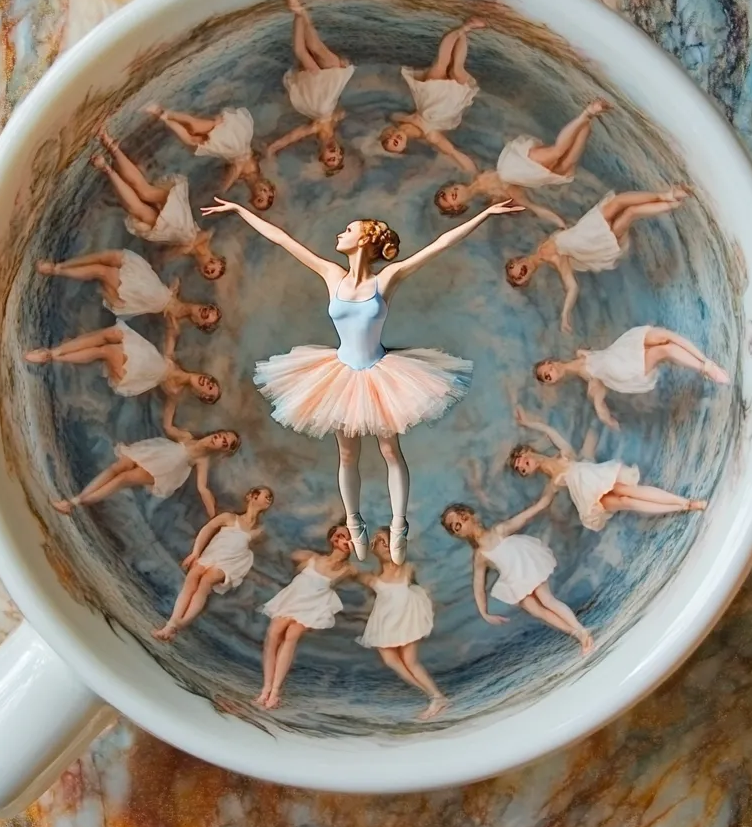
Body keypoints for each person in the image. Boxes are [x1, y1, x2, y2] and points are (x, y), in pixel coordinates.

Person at [201, 195, 522, 564]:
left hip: (379, 374)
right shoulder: (331, 275)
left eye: (348, 230)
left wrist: (484, 213)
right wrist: (240, 210)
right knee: (347, 453)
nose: (341, 233)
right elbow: (283, 240)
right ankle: (355, 523)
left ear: (365, 240)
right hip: (339, 375)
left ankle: (399, 525)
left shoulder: (387, 278)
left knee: (389, 451)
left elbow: (440, 244)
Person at [505, 186, 691, 333]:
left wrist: (557, 221)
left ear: (517, 260)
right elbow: (572, 287)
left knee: (619, 202)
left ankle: (667, 195)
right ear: (528, 277)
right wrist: (565, 314)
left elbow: (552, 221)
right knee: (630, 213)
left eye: (518, 268)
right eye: (522, 275)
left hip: (589, 228)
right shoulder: (554, 260)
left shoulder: (541, 247)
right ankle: (671, 203)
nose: (522, 270)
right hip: (596, 241)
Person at [440, 497, 593, 656]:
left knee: (547, 600)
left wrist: (549, 494)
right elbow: (478, 586)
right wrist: (484, 613)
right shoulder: (480, 555)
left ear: (470, 515)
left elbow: (527, 515)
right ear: (457, 534)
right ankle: (578, 633)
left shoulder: (499, 530)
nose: (463, 524)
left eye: (462, 518)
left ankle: (581, 630)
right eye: (456, 526)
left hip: (527, 566)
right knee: (536, 611)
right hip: (514, 581)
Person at [511, 407, 706, 530]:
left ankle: (687, 503)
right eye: (521, 470)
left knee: (629, 492)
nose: (523, 467)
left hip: (595, 477)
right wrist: (516, 522)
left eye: (521, 461)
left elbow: (549, 431)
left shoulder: (562, 453)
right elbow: (542, 505)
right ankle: (682, 507)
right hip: (586, 497)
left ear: (527, 452)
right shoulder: (551, 483)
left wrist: (528, 423)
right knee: (626, 501)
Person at [23, 317, 220, 423]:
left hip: (134, 373)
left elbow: (168, 421)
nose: (207, 383)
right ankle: (54, 352)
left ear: (200, 395)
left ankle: (52, 357)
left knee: (106, 350)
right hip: (142, 355)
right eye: (211, 382)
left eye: (208, 389)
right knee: (109, 335)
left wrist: (181, 437)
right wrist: (172, 326)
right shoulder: (177, 364)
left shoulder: (176, 391)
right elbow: (170, 341)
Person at [434, 100, 612, 216]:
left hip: (514, 162)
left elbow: (453, 151)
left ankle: (588, 112)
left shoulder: (473, 172)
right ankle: (590, 118)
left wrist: (432, 135)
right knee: (568, 163)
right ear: (458, 207)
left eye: (446, 192)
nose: (449, 194)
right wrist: (558, 221)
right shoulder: (493, 200)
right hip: (525, 174)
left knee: (557, 152)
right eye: (449, 199)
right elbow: (528, 204)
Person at [535, 326, 730, 429]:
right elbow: (599, 401)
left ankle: (706, 362)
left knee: (664, 335)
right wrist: (608, 420)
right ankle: (705, 369)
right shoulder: (589, 380)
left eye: (548, 367)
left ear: (551, 360)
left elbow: (598, 352)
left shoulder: (580, 354)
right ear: (553, 381)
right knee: (665, 349)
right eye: (547, 376)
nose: (551, 371)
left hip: (622, 349)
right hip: (624, 368)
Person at [151, 486, 274, 641]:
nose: (269, 499)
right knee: (192, 578)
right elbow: (206, 529)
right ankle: (172, 625)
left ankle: (176, 625)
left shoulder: (259, 531)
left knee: (205, 582)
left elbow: (245, 548)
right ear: (252, 496)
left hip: (231, 562)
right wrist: (195, 553)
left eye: (271, 498)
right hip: (212, 554)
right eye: (266, 495)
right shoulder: (229, 517)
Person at [256, 524, 357, 710]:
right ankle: (266, 688)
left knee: (291, 635)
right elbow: (288, 553)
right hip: (294, 598)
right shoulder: (313, 557)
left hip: (313, 605)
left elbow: (364, 565)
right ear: (333, 540)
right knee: (273, 634)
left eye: (350, 536)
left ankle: (275, 692)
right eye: (342, 536)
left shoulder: (349, 569)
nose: (346, 539)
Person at [356, 529, 446, 720]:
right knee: (391, 661)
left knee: (410, 661)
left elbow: (416, 584)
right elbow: (350, 570)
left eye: (390, 540)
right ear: (373, 548)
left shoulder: (407, 568)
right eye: (381, 541)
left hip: (406, 614)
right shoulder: (371, 577)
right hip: (385, 620)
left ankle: (436, 697)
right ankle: (434, 696)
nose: (387, 544)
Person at [50, 427, 240, 515]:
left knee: (122, 479)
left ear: (222, 450)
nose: (220, 439)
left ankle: (74, 503)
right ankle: (76, 499)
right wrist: (171, 400)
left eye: (225, 443)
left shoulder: (202, 459)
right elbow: (168, 427)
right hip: (154, 453)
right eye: (223, 435)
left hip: (164, 470)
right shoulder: (188, 436)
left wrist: (213, 514)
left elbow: (203, 488)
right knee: (116, 468)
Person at [379, 19, 485, 172]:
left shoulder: (399, 122)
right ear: (404, 147)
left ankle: (464, 27)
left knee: (440, 64)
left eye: (389, 139)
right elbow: (452, 152)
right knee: (456, 69)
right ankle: (463, 33)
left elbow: (393, 116)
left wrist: (403, 119)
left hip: (429, 98)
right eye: (395, 143)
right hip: (448, 105)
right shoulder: (429, 137)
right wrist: (475, 176)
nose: (394, 138)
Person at [266, 0, 354, 175]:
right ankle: (300, 11)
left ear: (321, 155)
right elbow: (337, 107)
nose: (334, 153)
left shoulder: (313, 129)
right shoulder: (335, 125)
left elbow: (289, 138)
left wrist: (271, 151)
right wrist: (340, 112)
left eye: (330, 158)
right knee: (315, 46)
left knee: (301, 50)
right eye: (338, 155)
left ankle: (299, 13)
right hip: (331, 81)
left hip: (315, 87)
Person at [36, 253, 220, 329]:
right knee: (108, 256)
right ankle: (61, 265)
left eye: (205, 316)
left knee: (102, 271)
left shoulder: (176, 324)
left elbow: (168, 346)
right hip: (148, 282)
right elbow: (171, 298)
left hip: (143, 295)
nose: (203, 311)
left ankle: (54, 270)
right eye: (207, 309)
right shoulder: (181, 297)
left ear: (198, 323)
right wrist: (172, 291)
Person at [146, 104, 277, 210]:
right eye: (262, 196)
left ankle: (162, 114)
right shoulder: (254, 172)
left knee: (192, 139)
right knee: (194, 129)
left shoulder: (245, 180)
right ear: (268, 190)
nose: (258, 194)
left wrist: (223, 186)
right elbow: (238, 165)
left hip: (228, 147)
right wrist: (224, 189)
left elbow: (232, 167)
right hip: (233, 142)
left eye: (256, 200)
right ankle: (161, 112)